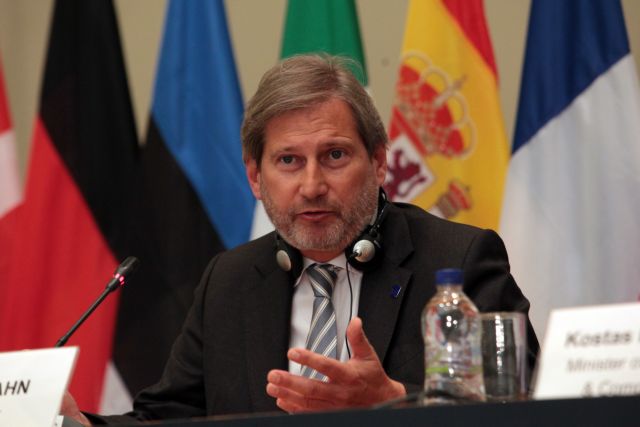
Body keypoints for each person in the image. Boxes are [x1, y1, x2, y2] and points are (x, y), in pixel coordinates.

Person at [62, 54, 539, 425]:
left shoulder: (458, 259)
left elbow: (526, 404)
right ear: (255, 176)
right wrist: (79, 424)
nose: (311, 186)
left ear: (378, 162)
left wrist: (394, 403)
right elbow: (169, 416)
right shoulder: (229, 280)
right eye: (288, 161)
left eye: (334, 155)